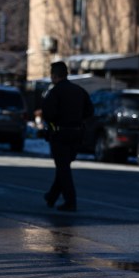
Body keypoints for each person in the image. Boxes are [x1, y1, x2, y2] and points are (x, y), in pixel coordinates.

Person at [41, 61, 94, 212]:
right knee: (64, 166)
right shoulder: (79, 91)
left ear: (55, 75)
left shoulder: (55, 92)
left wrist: (56, 121)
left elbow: (48, 114)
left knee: (63, 168)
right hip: (77, 133)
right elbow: (90, 111)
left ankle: (70, 201)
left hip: (60, 134)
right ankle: (51, 196)